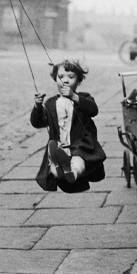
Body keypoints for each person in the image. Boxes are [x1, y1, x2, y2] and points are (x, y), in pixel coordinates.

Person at [31, 59, 105, 193]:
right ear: (55, 79)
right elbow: (38, 123)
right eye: (61, 77)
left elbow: (93, 110)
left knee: (78, 161)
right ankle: (59, 170)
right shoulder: (51, 103)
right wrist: (38, 107)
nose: (65, 80)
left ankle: (72, 173)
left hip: (80, 144)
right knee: (54, 163)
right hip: (60, 146)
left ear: (79, 81)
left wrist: (74, 97)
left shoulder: (84, 97)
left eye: (71, 77)